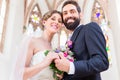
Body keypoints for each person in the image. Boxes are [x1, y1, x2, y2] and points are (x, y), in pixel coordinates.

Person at [55, 0, 109, 80]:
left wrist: (70, 67)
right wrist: (64, 74)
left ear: (80, 15)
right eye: (65, 13)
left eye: (72, 11)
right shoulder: (69, 40)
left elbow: (101, 62)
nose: (69, 15)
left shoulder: (89, 28)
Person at [10, 10, 63, 80]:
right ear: (44, 22)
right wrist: (44, 63)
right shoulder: (32, 42)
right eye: (53, 19)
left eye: (59, 21)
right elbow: (19, 73)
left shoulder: (55, 50)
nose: (56, 22)